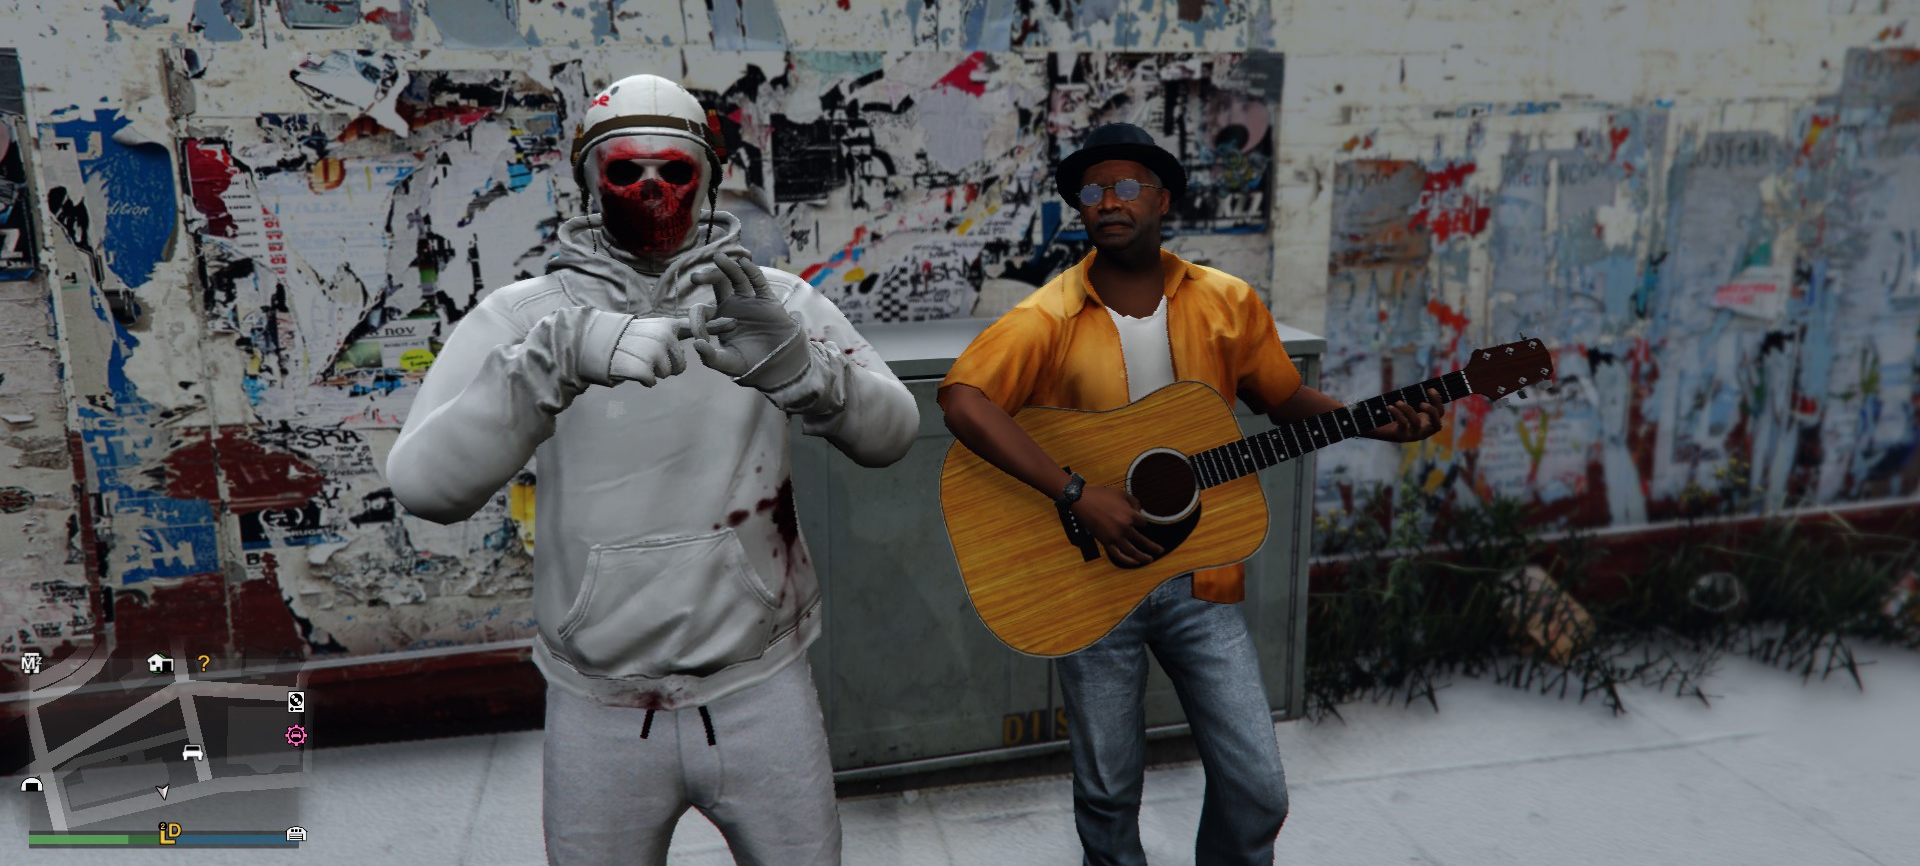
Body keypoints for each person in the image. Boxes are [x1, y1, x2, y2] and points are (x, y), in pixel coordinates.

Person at [385, 73, 918, 866]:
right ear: (589, 179)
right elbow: (424, 487)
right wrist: (548, 366)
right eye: (625, 170)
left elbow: (894, 431)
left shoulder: (770, 303)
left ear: (706, 178)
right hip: (598, 703)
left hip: (760, 685)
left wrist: (809, 372)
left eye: (673, 170)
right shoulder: (526, 319)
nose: (650, 189)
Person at [937, 122, 1445, 866]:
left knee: (1258, 787)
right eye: (1092, 190)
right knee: (1108, 792)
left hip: (1201, 580)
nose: (1108, 201)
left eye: (1126, 186)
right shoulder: (1047, 316)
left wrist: (1376, 423)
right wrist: (1077, 493)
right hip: (1090, 585)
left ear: (1163, 199)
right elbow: (963, 401)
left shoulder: (1226, 301)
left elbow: (1282, 399)